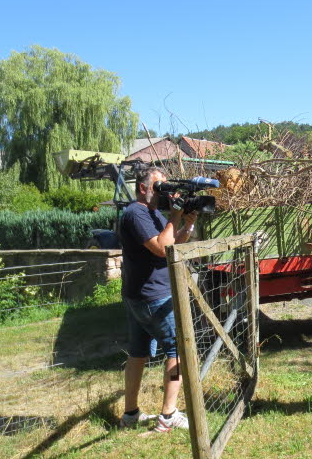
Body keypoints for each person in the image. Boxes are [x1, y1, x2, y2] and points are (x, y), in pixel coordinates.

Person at [118, 166, 198, 433]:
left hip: (141, 296)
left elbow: (174, 242)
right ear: (143, 188)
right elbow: (163, 249)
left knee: (138, 354)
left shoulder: (151, 213)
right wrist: (174, 214)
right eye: (159, 185)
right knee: (177, 352)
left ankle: (130, 414)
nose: (164, 191)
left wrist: (187, 222)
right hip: (153, 297)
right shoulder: (136, 212)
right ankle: (168, 415)